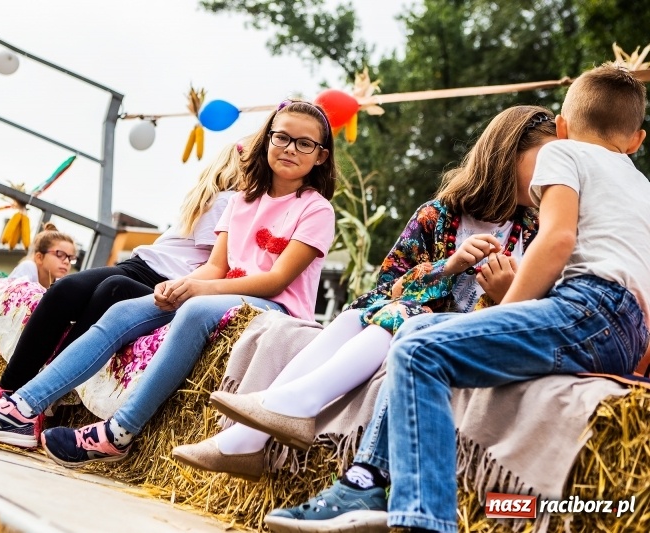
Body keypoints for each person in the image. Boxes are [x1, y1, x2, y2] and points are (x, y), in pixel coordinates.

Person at [264, 64, 650, 533]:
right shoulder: (639, 185)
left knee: (419, 351)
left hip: (588, 309)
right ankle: (363, 481)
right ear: (637, 141)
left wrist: (505, 313)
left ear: (563, 130)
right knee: (419, 329)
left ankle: (424, 517)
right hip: (623, 330)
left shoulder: (564, 155)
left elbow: (556, 241)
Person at [0, 100, 338, 465]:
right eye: (282, 137)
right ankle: (23, 410)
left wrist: (197, 290)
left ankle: (120, 431)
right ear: (267, 139)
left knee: (196, 308)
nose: (290, 148)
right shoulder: (241, 200)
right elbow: (216, 266)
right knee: (123, 309)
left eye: (305, 144)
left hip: (274, 306)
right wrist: (179, 284)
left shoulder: (316, 209)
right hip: (223, 291)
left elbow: (275, 280)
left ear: (321, 156)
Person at [172, 104, 552, 482]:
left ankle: (286, 410)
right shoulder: (437, 216)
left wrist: (504, 294)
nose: (555, 173)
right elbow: (387, 286)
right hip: (412, 320)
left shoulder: (540, 231)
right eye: (546, 159)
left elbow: (545, 313)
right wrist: (447, 266)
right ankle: (247, 439)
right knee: (358, 314)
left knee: (400, 316)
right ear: (506, 155)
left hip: (463, 336)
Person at [0, 141, 244, 408]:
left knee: (109, 289)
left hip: (164, 281)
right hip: (141, 266)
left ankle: (40, 394)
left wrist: (180, 288)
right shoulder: (216, 201)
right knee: (65, 289)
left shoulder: (228, 204)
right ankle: (9, 389)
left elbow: (216, 265)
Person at [7, 223, 77, 289]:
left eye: (70, 258)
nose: (67, 261)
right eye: (60, 254)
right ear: (39, 258)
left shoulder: (60, 284)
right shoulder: (28, 267)